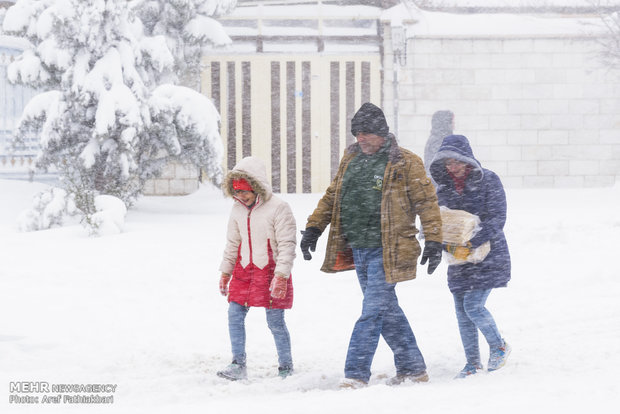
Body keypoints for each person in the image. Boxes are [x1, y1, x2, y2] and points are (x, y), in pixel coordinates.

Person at [300, 102, 443, 388]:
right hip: (358, 248)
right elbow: (332, 195)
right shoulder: (351, 159)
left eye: (365, 133)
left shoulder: (405, 161)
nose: (360, 139)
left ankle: (355, 374)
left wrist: (435, 239)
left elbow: (426, 202)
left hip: (388, 249)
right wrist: (314, 227)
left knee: (372, 311)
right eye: (356, 133)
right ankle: (413, 368)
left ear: (381, 133)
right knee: (386, 309)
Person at [428, 134, 512, 379]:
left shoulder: (489, 180)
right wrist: (440, 242)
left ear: (467, 160)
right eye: (447, 164)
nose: (452, 168)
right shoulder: (443, 189)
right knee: (461, 311)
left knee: (473, 306)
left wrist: (472, 240)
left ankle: (499, 346)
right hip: (458, 259)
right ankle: (472, 363)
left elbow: (498, 218)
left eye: (456, 162)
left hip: (489, 255)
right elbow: (441, 221)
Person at [217, 156, 297, 381]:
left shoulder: (279, 208)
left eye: (244, 191)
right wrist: (225, 272)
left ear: (256, 187)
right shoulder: (237, 209)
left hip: (270, 273)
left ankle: (286, 366)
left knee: (275, 322)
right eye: (236, 192)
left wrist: (281, 276)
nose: (240, 196)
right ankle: (237, 364)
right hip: (244, 271)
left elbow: (287, 246)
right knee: (234, 314)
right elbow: (233, 243)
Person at [423, 110, 454, 187]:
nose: (454, 124)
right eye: (452, 121)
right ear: (446, 123)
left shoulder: (440, 138)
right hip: (440, 185)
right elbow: (436, 166)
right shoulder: (439, 141)